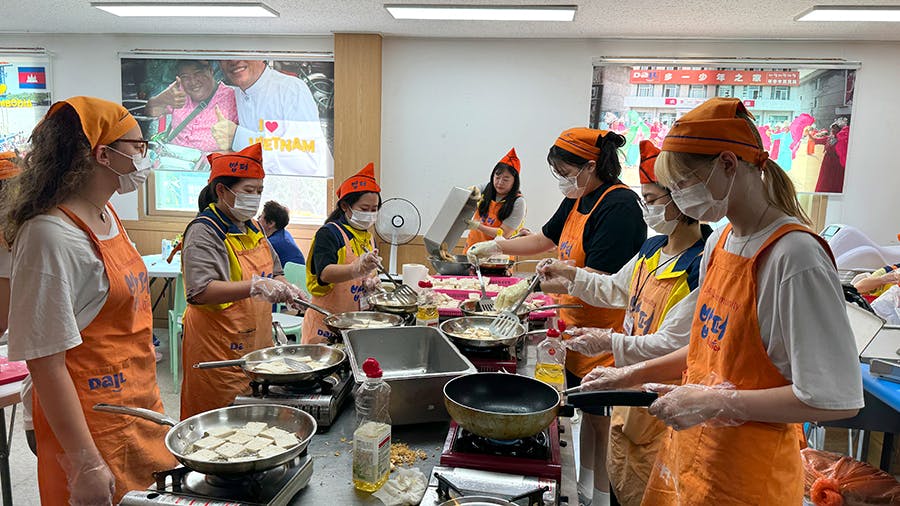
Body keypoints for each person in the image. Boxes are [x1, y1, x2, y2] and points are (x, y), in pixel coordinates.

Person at [579, 98, 863, 506]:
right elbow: (702, 351)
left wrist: (717, 401)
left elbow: (833, 397)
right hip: (694, 461)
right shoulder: (721, 242)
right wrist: (627, 375)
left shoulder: (793, 256)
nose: (676, 200)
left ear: (728, 165)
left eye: (680, 186)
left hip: (749, 477)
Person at [2, 96, 174, 504]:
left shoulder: (106, 215)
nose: (144, 157)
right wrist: (85, 463)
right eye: (137, 146)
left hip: (138, 407)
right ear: (103, 154)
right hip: (91, 431)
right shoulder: (49, 235)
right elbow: (45, 362)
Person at [468, 128, 646, 506]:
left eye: (565, 170)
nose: (562, 179)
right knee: (587, 417)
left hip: (605, 336)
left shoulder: (619, 207)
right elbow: (545, 239)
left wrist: (552, 282)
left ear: (591, 166)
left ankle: (600, 495)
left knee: (604, 424)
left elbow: (608, 283)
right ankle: (585, 488)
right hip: (574, 328)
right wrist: (496, 246)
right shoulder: (579, 198)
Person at [538, 140, 708, 506]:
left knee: (651, 489)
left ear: (681, 200)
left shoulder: (699, 268)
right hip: (630, 388)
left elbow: (672, 345)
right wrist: (569, 273)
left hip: (665, 402)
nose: (646, 208)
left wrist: (608, 342)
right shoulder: (652, 250)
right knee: (621, 476)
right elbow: (613, 289)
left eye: (652, 199)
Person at [179, 143, 303, 418]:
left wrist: (287, 288)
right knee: (221, 422)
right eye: (249, 191)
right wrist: (254, 286)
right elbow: (199, 291)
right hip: (219, 350)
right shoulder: (204, 232)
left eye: (259, 191)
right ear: (222, 190)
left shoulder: (253, 226)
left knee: (255, 418)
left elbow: (274, 268)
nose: (256, 198)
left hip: (256, 342)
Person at [302, 162, 383, 344]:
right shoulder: (330, 234)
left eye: (374, 209)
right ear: (345, 206)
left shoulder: (368, 237)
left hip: (353, 324)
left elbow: (365, 275)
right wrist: (355, 269)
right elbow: (324, 273)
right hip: (324, 328)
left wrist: (368, 284)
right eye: (364, 209)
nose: (370, 214)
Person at [217, 60, 330, 176]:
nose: (234, 60)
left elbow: (307, 162)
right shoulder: (239, 92)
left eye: (243, 50)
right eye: (227, 55)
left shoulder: (291, 89)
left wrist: (239, 137)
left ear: (261, 54)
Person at [144, 59, 239, 153]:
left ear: (210, 70)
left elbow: (246, 145)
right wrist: (161, 99)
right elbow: (150, 112)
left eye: (198, 73)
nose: (193, 82)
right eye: (185, 77)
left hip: (212, 164)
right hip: (172, 161)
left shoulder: (232, 98)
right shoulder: (178, 90)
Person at [464, 148, 526, 250]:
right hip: (472, 249)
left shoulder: (518, 202)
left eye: (506, 179)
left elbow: (504, 234)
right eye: (497, 177)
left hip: (497, 256)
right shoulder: (488, 188)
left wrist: (478, 226)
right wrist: (472, 191)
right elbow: (476, 190)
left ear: (514, 182)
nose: (500, 182)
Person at [259, 200, 306, 266]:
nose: (258, 220)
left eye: (261, 216)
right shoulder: (285, 234)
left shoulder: (272, 243)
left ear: (271, 223)